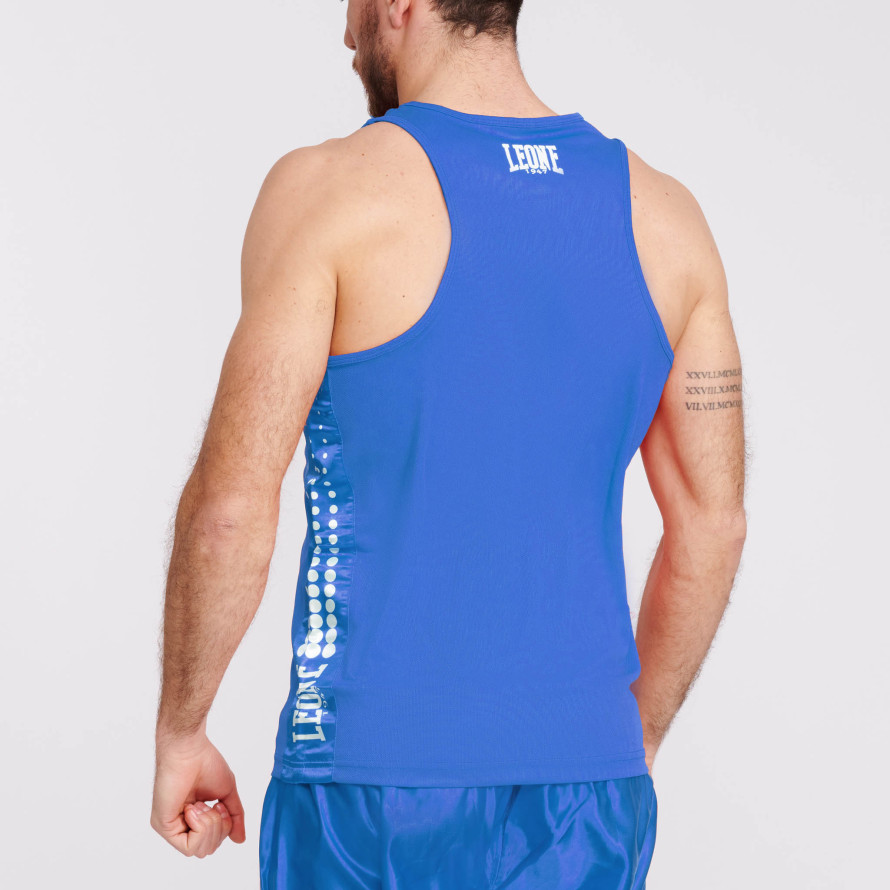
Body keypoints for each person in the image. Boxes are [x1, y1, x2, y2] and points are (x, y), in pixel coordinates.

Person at [150, 1, 747, 886]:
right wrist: (632, 738)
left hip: (366, 788)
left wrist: (182, 729)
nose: (347, 33)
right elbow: (713, 526)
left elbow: (229, 512)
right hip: (589, 787)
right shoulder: (670, 220)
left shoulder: (326, 193)